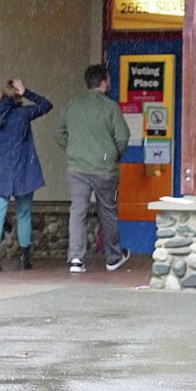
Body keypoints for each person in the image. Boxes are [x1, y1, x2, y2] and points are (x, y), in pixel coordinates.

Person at [55, 63, 132, 274]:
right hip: (105, 170)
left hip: (76, 169)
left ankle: (76, 259)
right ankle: (113, 257)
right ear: (104, 82)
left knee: (77, 211)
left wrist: (74, 151)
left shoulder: (72, 105)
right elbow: (123, 137)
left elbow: (59, 134)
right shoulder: (110, 107)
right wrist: (111, 157)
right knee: (107, 211)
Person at [0, 78, 53, 272]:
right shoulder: (23, 114)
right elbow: (47, 105)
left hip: (0, 169)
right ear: (17, 96)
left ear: (1, 95)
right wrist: (27, 91)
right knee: (24, 213)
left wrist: (2, 147)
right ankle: (24, 257)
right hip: (23, 169)